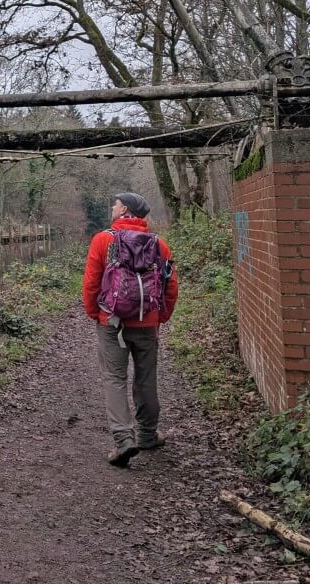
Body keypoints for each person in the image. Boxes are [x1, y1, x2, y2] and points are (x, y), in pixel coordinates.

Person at [82, 192, 179, 467]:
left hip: (112, 322)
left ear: (124, 209)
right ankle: (148, 434)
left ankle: (123, 439)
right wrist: (161, 316)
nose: (112, 206)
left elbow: (91, 283)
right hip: (147, 321)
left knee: (114, 378)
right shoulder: (160, 245)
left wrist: (95, 313)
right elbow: (171, 286)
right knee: (146, 378)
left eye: (115, 203)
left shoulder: (103, 240)